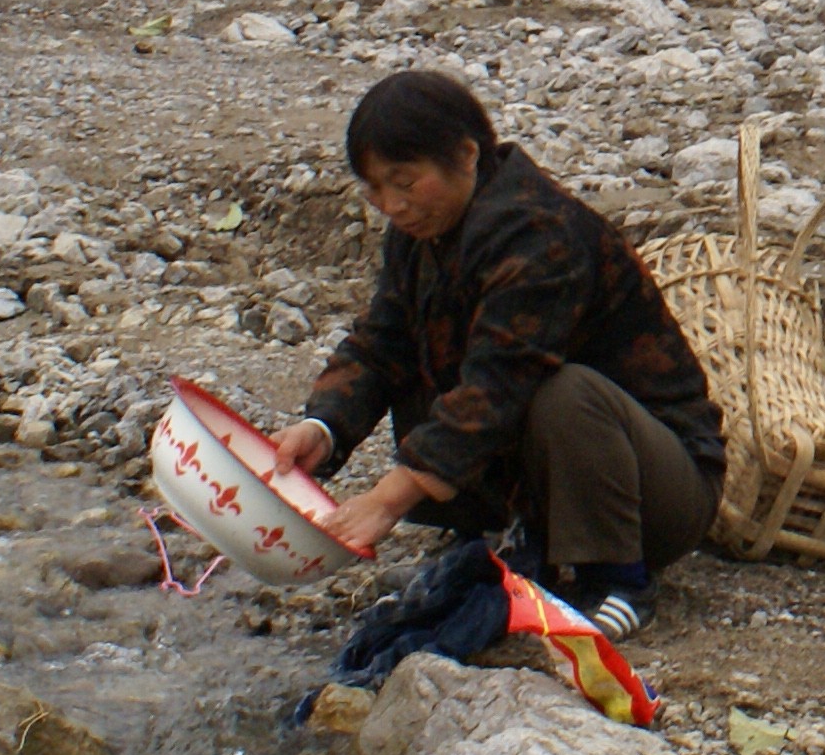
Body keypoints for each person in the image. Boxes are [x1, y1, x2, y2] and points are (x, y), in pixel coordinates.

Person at [271, 70, 721, 640]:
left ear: (466, 155)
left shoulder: (541, 234)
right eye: (375, 191)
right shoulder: (419, 235)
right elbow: (380, 340)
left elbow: (503, 380)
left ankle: (618, 578)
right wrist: (323, 426)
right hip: (541, 482)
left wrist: (391, 497)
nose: (392, 206)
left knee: (563, 394)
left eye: (405, 183)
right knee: (422, 347)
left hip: (656, 487)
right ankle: (497, 537)